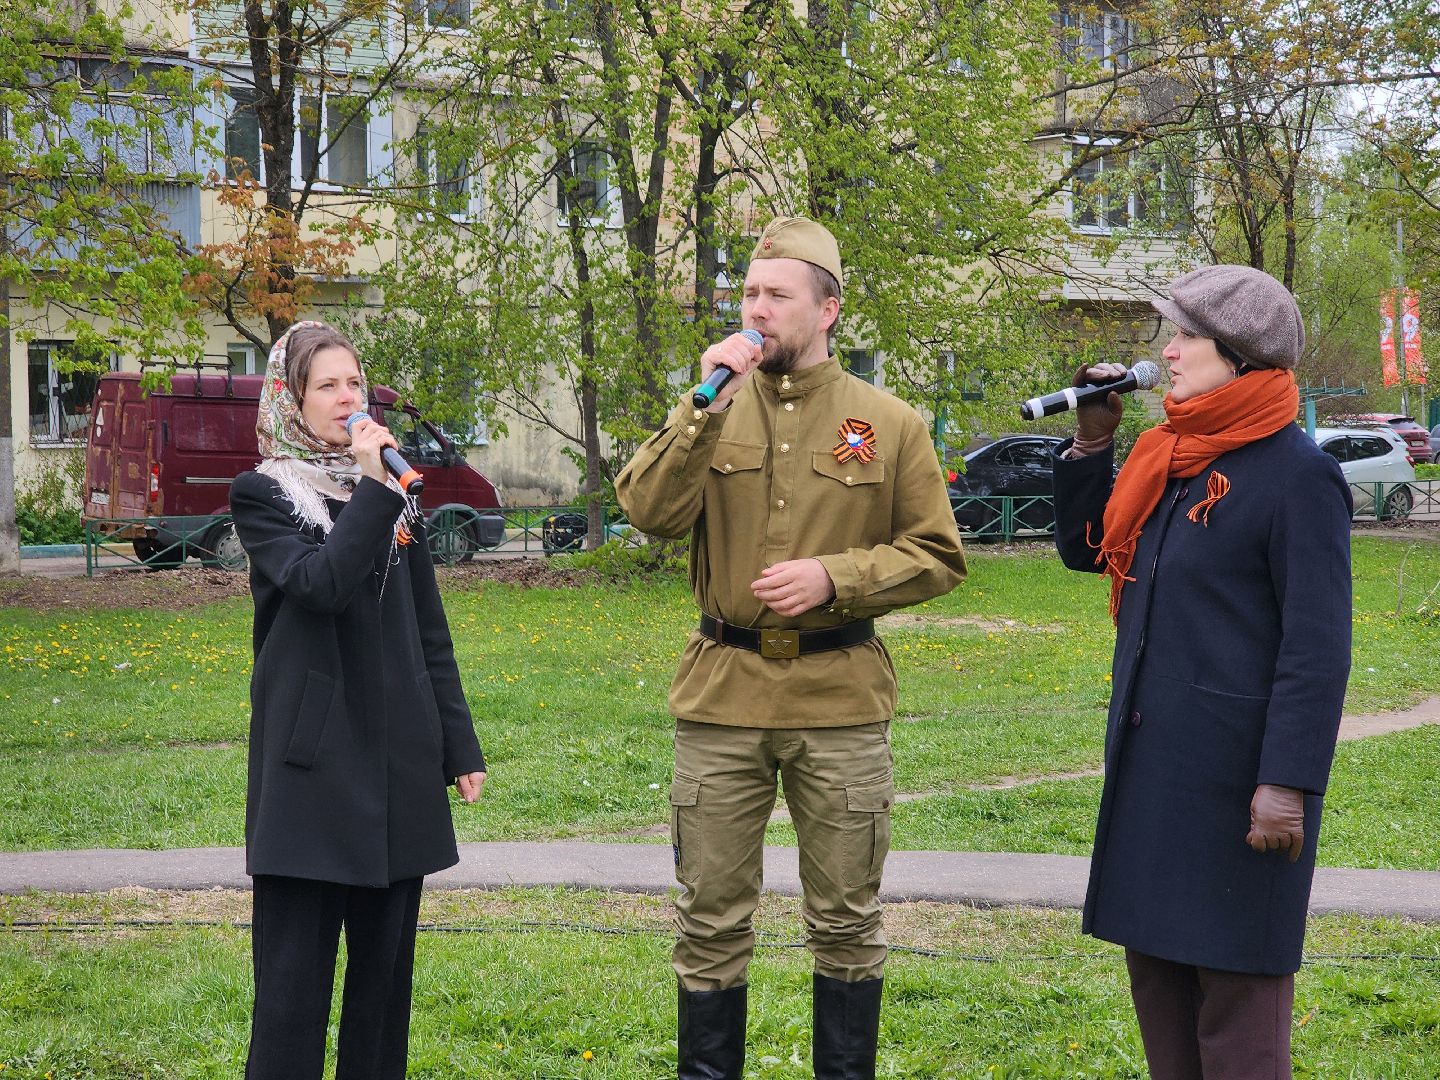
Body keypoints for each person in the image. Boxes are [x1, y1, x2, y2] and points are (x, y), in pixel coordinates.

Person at [616, 216, 967, 1080]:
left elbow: (936, 554)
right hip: (722, 701)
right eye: (749, 293)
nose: (757, 310)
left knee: (846, 923)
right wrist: (700, 410)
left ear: (829, 309)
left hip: (838, 700)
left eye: (777, 295)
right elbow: (649, 512)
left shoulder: (888, 422)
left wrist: (835, 579)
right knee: (709, 922)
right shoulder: (711, 407)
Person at [1051, 265, 1352, 1079]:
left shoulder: (1299, 477)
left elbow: (1317, 647)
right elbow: (1087, 550)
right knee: (1162, 997)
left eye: (1186, 336)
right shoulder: (1170, 456)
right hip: (1157, 778)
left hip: (1240, 789)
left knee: (1239, 1021)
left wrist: (1287, 781)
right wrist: (1092, 442)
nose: (1169, 352)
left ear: (1242, 360)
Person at [230, 321, 487, 1080]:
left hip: (396, 765)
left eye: (355, 384)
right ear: (291, 399)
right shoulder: (265, 494)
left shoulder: (386, 493)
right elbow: (320, 584)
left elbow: (428, 632)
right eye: (327, 386)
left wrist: (456, 744)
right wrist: (376, 489)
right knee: (291, 995)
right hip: (310, 770)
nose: (348, 400)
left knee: (383, 998)